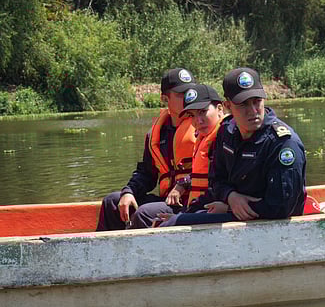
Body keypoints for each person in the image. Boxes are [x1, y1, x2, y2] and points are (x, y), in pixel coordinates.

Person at [160, 67, 307, 226]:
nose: (253, 111)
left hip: (268, 223)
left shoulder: (283, 143)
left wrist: (229, 207)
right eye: (243, 104)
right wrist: (230, 196)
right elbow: (216, 180)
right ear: (228, 106)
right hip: (237, 213)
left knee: (173, 224)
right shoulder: (227, 132)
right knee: (168, 219)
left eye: (257, 101)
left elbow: (282, 207)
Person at [96, 68, 197, 231]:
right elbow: (146, 174)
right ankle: (107, 247)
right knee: (112, 202)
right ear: (165, 98)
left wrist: (184, 183)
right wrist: (129, 191)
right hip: (168, 202)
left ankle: (136, 247)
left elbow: (212, 169)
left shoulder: (202, 126)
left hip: (193, 202)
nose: (188, 98)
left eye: (190, 92)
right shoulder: (157, 133)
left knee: (145, 213)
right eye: (181, 94)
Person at [127, 84, 226, 229]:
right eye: (192, 115)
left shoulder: (226, 137)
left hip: (218, 206)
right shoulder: (203, 138)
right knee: (117, 202)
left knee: (149, 216)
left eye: (203, 112)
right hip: (199, 205)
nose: (198, 121)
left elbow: (221, 183)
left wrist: (184, 212)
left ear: (220, 109)